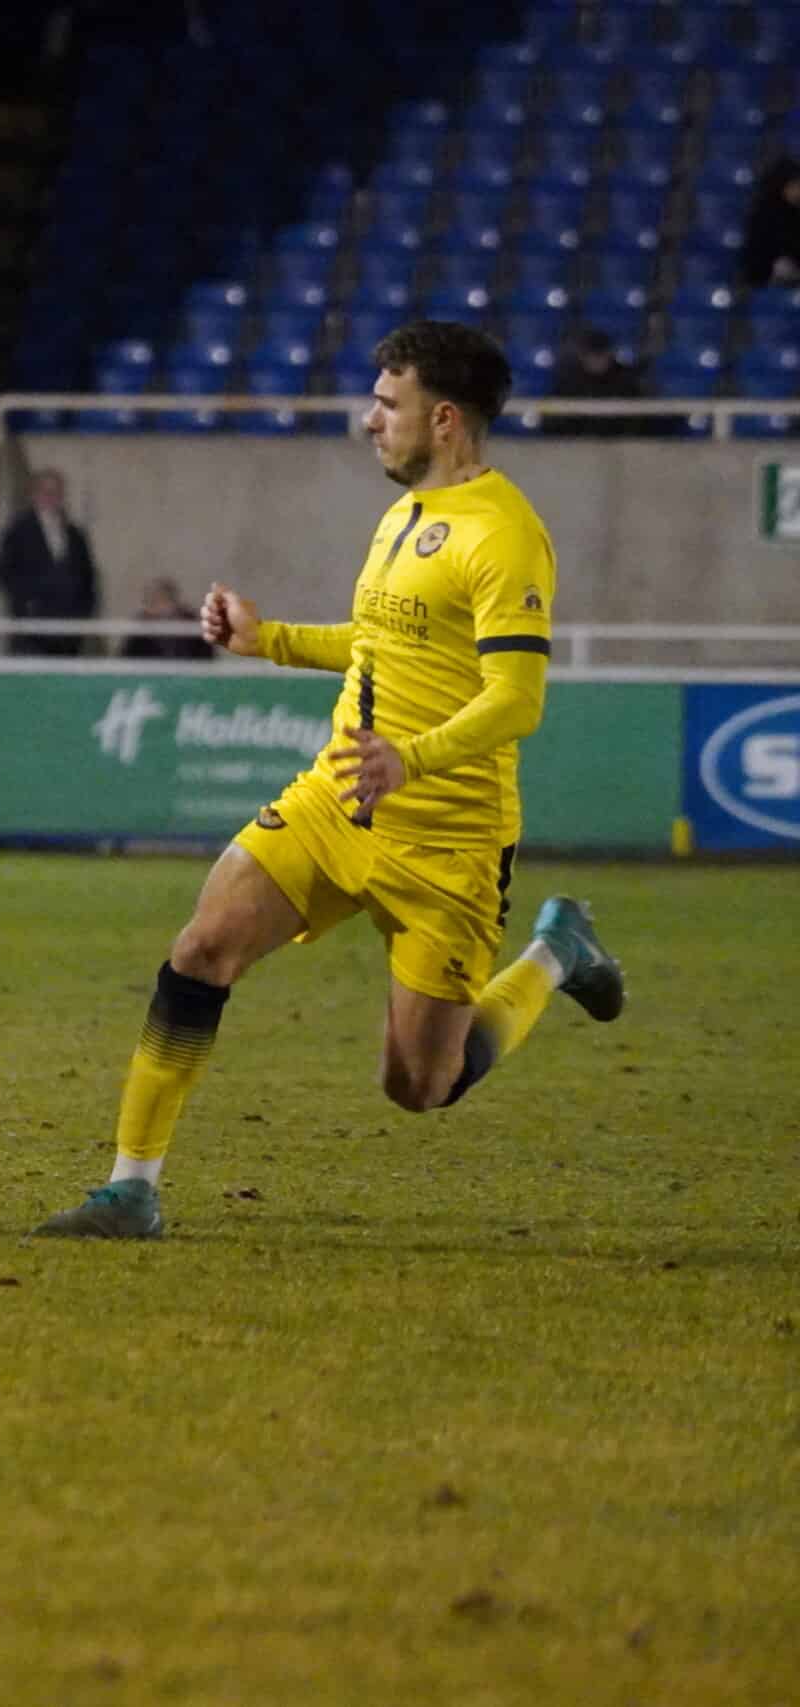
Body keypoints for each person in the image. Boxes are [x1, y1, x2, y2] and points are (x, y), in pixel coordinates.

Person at [36, 321, 625, 1240]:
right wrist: (265, 639)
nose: (369, 420)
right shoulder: (405, 515)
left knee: (420, 1083)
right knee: (202, 947)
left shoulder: (506, 534)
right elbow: (383, 644)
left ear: (443, 418)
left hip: (447, 839)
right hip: (338, 800)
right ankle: (131, 1188)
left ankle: (556, 954)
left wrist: (410, 758)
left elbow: (516, 699)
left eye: (387, 404)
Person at [0, 469, 101, 655]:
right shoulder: (18, 530)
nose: (51, 497)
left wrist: (83, 614)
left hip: (69, 634)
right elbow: (2, 572)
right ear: (34, 495)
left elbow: (88, 578)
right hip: (30, 632)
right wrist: (27, 603)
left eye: (56, 492)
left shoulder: (75, 535)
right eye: (46, 491)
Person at [544, 328, 650, 439]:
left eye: (601, 354)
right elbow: (551, 421)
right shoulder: (569, 381)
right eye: (592, 354)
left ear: (610, 354)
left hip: (621, 442)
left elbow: (641, 418)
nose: (596, 360)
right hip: (576, 443)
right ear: (582, 356)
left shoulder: (625, 380)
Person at [740, 156, 800, 289]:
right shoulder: (764, 214)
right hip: (766, 280)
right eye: (795, 184)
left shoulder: (796, 212)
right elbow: (755, 256)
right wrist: (774, 266)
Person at [119, 577, 212, 661]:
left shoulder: (191, 624)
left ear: (173, 602)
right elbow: (125, 659)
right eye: (150, 602)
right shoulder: (139, 629)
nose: (156, 607)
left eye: (161, 600)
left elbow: (207, 659)